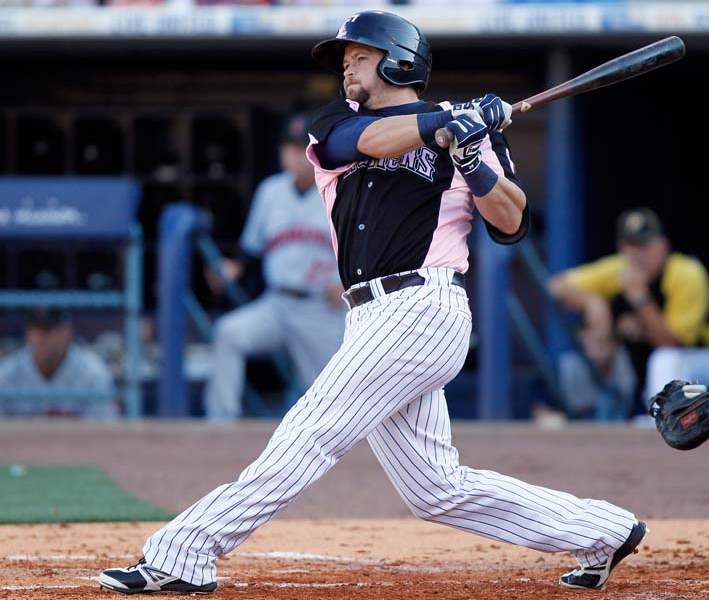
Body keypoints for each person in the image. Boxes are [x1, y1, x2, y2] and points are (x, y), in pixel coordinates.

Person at [98, 10, 644, 595]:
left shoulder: (471, 134)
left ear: (399, 60)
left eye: (359, 55)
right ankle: (603, 530)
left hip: (423, 307)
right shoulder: (337, 122)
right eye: (345, 58)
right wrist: (445, 120)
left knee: (310, 431)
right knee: (436, 489)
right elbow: (361, 143)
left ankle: (185, 552)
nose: (347, 67)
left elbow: (511, 223)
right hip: (366, 317)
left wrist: (469, 158)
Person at [203, 114, 345, 420]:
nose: (294, 155)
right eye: (289, 147)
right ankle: (218, 427)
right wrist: (233, 267)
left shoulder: (338, 189)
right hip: (276, 304)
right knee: (228, 334)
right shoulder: (270, 191)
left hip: (323, 309)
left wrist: (347, 285)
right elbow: (250, 248)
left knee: (332, 396)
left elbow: (366, 251)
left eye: (301, 148)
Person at [550, 207, 709, 415]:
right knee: (593, 356)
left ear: (663, 245)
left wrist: (640, 299)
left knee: (664, 359)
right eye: (630, 245)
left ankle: (663, 429)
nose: (637, 254)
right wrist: (592, 303)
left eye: (645, 245)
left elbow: (672, 343)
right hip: (669, 382)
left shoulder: (685, 272)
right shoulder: (620, 269)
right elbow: (555, 286)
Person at [0, 307, 116, 418]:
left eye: (48, 329)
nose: (41, 337)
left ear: (67, 331)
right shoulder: (7, 373)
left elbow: (106, 427)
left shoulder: (92, 372)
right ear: (27, 333)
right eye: (36, 329)